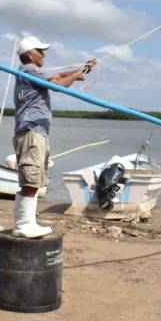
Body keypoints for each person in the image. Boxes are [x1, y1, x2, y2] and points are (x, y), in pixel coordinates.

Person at [12, 36, 96, 238]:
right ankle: (23, 224)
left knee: (35, 181)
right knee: (31, 181)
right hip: (31, 130)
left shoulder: (31, 72)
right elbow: (59, 83)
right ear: (31, 54)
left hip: (36, 131)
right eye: (40, 51)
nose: (44, 55)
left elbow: (57, 76)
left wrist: (81, 71)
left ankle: (28, 223)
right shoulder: (29, 70)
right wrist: (76, 76)